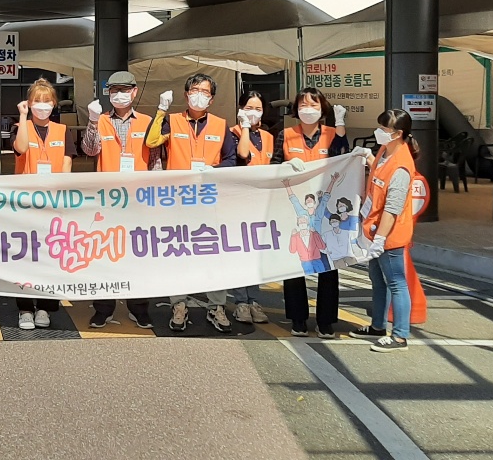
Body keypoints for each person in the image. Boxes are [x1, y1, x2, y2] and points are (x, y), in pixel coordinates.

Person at [145, 72, 237, 334]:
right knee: (179, 253)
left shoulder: (220, 125)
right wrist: (161, 110)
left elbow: (231, 159)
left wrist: (214, 170)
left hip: (209, 199)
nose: (199, 96)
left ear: (211, 99)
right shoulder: (172, 121)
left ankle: (216, 306)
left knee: (214, 253)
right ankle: (179, 304)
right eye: (195, 91)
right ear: (186, 95)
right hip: (178, 200)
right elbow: (151, 141)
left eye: (205, 92)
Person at [82, 71, 155, 330]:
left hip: (138, 200)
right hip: (108, 201)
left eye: (124, 90)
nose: (119, 95)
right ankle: (103, 308)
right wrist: (92, 121)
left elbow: (155, 159)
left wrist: (154, 196)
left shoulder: (147, 121)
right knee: (105, 254)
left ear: (134, 92)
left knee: (138, 254)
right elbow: (89, 149)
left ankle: (139, 307)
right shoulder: (100, 120)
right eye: (114, 91)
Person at [273, 87, 349, 338]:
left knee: (328, 265)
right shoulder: (285, 135)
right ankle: (298, 319)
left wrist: (340, 127)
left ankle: (325, 320)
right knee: (294, 264)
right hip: (294, 211)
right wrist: (285, 165)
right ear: (296, 109)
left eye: (314, 105)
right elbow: (273, 166)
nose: (308, 110)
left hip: (325, 210)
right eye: (303, 105)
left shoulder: (332, 133)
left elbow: (344, 159)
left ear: (322, 108)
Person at [10, 77, 77, 330]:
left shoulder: (62, 130)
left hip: (53, 203)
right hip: (26, 203)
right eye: (37, 100)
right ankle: (25, 308)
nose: (42, 105)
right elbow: (20, 148)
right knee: (26, 256)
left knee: (51, 255)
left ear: (54, 104)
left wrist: (63, 198)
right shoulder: (21, 127)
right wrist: (23, 117)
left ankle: (46, 307)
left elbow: (67, 163)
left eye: (47, 100)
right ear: (29, 103)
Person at [349, 109, 418, 353]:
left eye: (384, 129)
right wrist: (367, 156)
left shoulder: (401, 167)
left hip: (389, 235)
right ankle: (377, 326)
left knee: (396, 283)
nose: (379, 132)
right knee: (378, 281)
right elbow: (378, 176)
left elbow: (392, 208)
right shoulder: (385, 151)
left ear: (398, 134)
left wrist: (380, 239)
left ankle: (400, 336)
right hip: (375, 229)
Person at [229, 90, 272, 325]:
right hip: (238, 203)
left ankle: (254, 299)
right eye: (248, 108)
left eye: (258, 109)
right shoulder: (232, 133)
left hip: (261, 204)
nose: (253, 113)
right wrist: (244, 126)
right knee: (239, 252)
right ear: (240, 109)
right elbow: (242, 154)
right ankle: (241, 302)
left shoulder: (268, 137)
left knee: (256, 254)